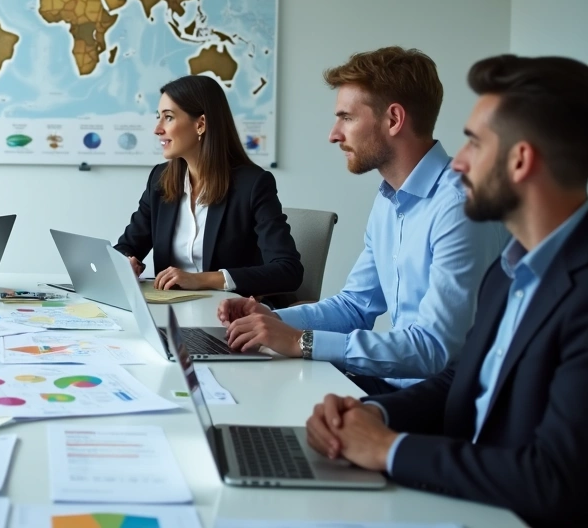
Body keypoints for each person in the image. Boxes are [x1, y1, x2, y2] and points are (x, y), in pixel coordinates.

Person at [304, 55, 588, 527]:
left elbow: (555, 480)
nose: (457, 160)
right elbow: (462, 381)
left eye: (474, 143)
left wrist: (391, 450)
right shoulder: (511, 271)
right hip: (461, 491)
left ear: (520, 161)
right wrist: (371, 414)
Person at [219, 47, 508, 394]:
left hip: (445, 397)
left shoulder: (459, 208)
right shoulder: (389, 198)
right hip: (395, 381)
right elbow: (355, 306)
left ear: (394, 120)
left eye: (347, 117)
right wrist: (269, 319)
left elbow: (434, 349)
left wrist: (301, 341)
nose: (334, 134)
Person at [114, 75, 303, 303]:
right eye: (159, 117)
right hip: (170, 313)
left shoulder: (253, 185)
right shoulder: (160, 180)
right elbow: (128, 246)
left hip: (229, 317)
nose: (157, 129)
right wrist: (126, 261)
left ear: (201, 124)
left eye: (169, 118)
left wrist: (204, 279)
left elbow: (288, 271)